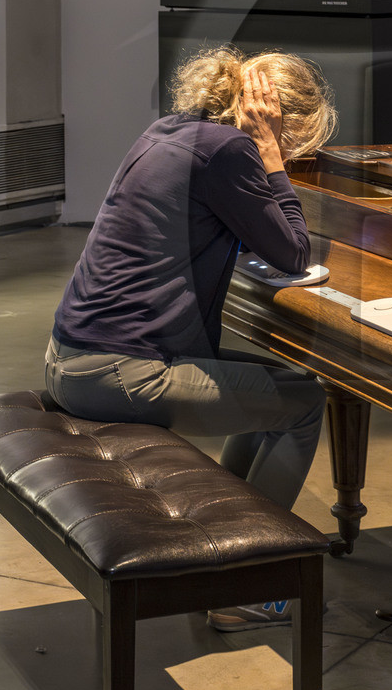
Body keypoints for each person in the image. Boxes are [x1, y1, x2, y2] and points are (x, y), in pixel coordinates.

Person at [44, 47, 337, 632]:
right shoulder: (231, 151)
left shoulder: (169, 131)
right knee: (304, 405)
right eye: (295, 137)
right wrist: (271, 157)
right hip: (120, 373)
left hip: (72, 358)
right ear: (279, 118)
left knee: (282, 389)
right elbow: (293, 252)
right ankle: (247, 585)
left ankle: (223, 549)